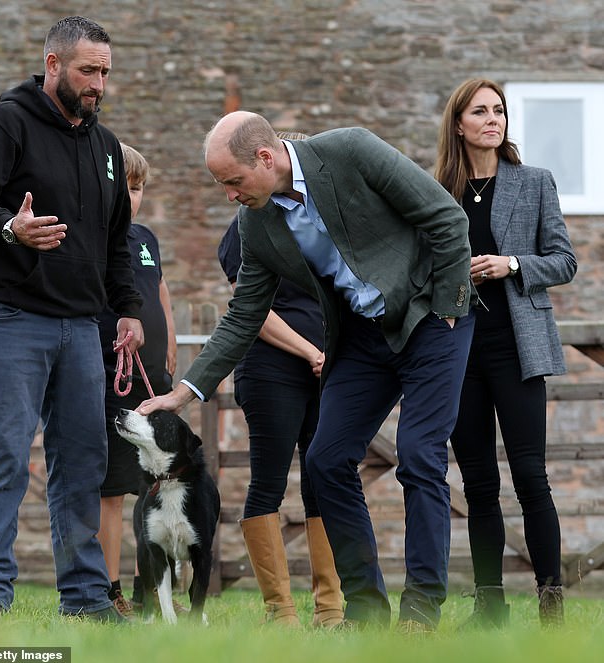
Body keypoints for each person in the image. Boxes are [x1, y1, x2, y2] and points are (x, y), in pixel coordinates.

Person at [139, 111, 476, 632]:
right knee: (326, 458)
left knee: (418, 455)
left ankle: (421, 612)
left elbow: (447, 217)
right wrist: (183, 394)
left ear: (266, 158)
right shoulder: (257, 222)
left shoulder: (351, 150)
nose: (229, 195)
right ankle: (364, 612)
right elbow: (245, 313)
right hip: (362, 338)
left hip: (429, 318)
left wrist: (451, 303)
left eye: (233, 181)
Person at [0, 16, 144, 622]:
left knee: (83, 465)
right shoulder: (5, 123)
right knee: (4, 458)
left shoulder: (106, 148)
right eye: (87, 70)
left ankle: (86, 600)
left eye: (105, 72)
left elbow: (116, 239)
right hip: (9, 319)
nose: (98, 83)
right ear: (52, 65)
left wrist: (128, 310)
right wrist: (8, 227)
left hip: (82, 327)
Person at [434, 78, 577, 629]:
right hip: (458, 351)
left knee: (530, 476)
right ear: (459, 124)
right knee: (477, 482)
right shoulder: (438, 190)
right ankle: (489, 607)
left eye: (499, 111)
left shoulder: (534, 182)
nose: (492, 119)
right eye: (480, 111)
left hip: (518, 347)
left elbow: (564, 261)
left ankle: (551, 604)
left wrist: (510, 264)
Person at [217, 130, 342, 628]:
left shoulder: (323, 220)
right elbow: (252, 311)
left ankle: (330, 609)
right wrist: (312, 351)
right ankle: (280, 611)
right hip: (272, 368)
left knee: (324, 478)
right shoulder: (247, 226)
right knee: (269, 480)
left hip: (327, 368)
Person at [97, 143, 177, 616]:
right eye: (122, 187)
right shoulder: (90, 240)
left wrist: (167, 343)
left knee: (158, 488)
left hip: (154, 383)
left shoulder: (146, 239)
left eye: (138, 187)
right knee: (111, 490)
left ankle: (152, 591)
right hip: (111, 381)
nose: (131, 197)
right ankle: (111, 591)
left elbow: (160, 287)